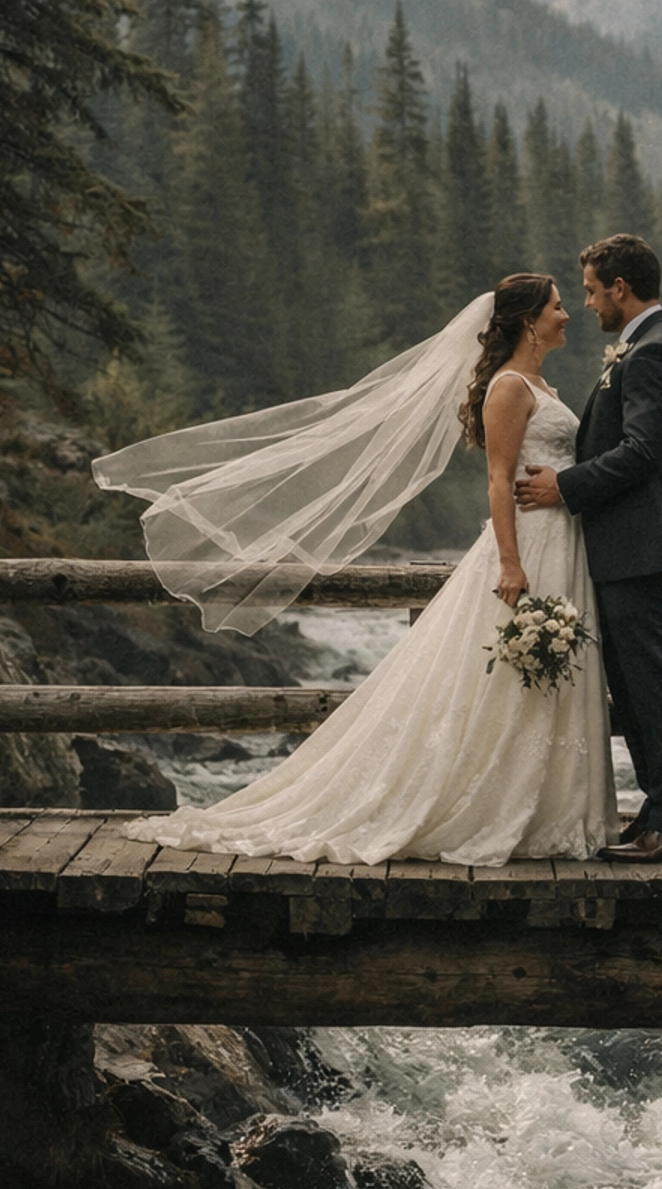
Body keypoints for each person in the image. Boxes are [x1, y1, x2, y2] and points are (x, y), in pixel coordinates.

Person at [95, 274, 617, 864]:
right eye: (555, 306)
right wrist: (511, 563)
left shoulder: (541, 383)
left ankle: (550, 810)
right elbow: (498, 480)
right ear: (528, 320)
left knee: (546, 676)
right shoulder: (509, 388)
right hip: (529, 546)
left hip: (562, 540)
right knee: (502, 677)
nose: (568, 314)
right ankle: (490, 807)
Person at [515, 231, 662, 862]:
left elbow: (642, 453)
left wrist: (564, 487)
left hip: (641, 547)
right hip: (631, 546)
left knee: (654, 685)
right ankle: (659, 811)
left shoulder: (652, 353)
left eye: (594, 292)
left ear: (621, 289)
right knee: (634, 687)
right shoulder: (646, 346)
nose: (589, 305)